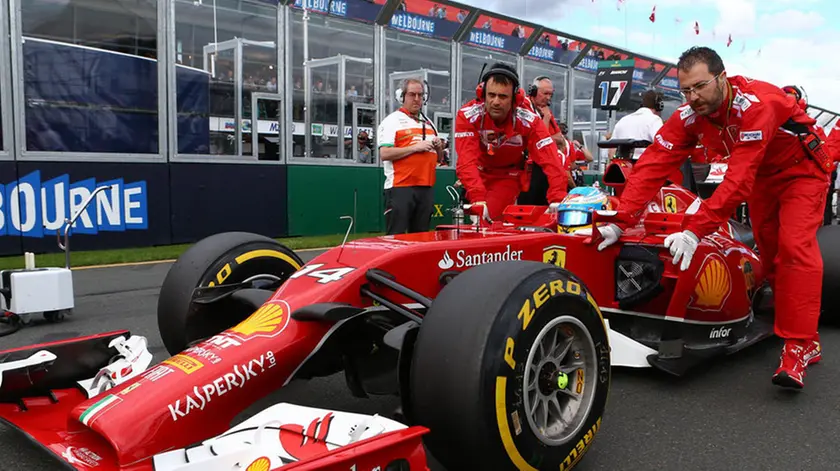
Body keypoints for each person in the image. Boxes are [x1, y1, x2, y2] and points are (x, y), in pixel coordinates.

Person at [593, 47, 833, 390]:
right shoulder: (690, 114)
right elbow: (653, 163)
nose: (693, 97)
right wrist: (622, 219)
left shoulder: (757, 104)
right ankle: (787, 311)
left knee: (794, 246)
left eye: (700, 87)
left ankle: (801, 343)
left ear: (721, 77)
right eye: (685, 90)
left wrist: (693, 232)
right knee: (769, 252)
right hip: (764, 177)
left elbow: (737, 182)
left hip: (803, 171)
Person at [454, 63, 568, 221]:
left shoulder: (529, 121)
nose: (495, 102)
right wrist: (477, 196)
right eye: (491, 95)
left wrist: (557, 197)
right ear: (482, 93)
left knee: (489, 218)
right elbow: (466, 160)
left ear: (515, 98)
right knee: (479, 222)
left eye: (503, 96)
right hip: (478, 171)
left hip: (507, 175)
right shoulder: (467, 116)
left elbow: (551, 158)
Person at [378, 78, 445, 234]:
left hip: (426, 187)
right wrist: (415, 147)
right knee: (396, 237)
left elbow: (439, 159)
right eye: (412, 94)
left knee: (421, 237)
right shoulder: (391, 121)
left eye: (420, 95)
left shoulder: (429, 123)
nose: (417, 99)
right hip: (401, 187)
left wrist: (439, 147)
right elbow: (385, 154)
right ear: (402, 97)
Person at [519, 76, 566, 205]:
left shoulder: (546, 110)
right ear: (533, 91)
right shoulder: (525, 107)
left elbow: (560, 138)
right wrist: (545, 119)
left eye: (551, 94)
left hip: (543, 166)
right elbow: (537, 139)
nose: (548, 98)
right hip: (527, 169)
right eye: (545, 93)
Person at [610, 90, 665, 160]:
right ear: (659, 106)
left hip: (621, 167)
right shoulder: (655, 120)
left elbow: (611, 151)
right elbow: (662, 146)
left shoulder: (622, 120)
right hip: (645, 166)